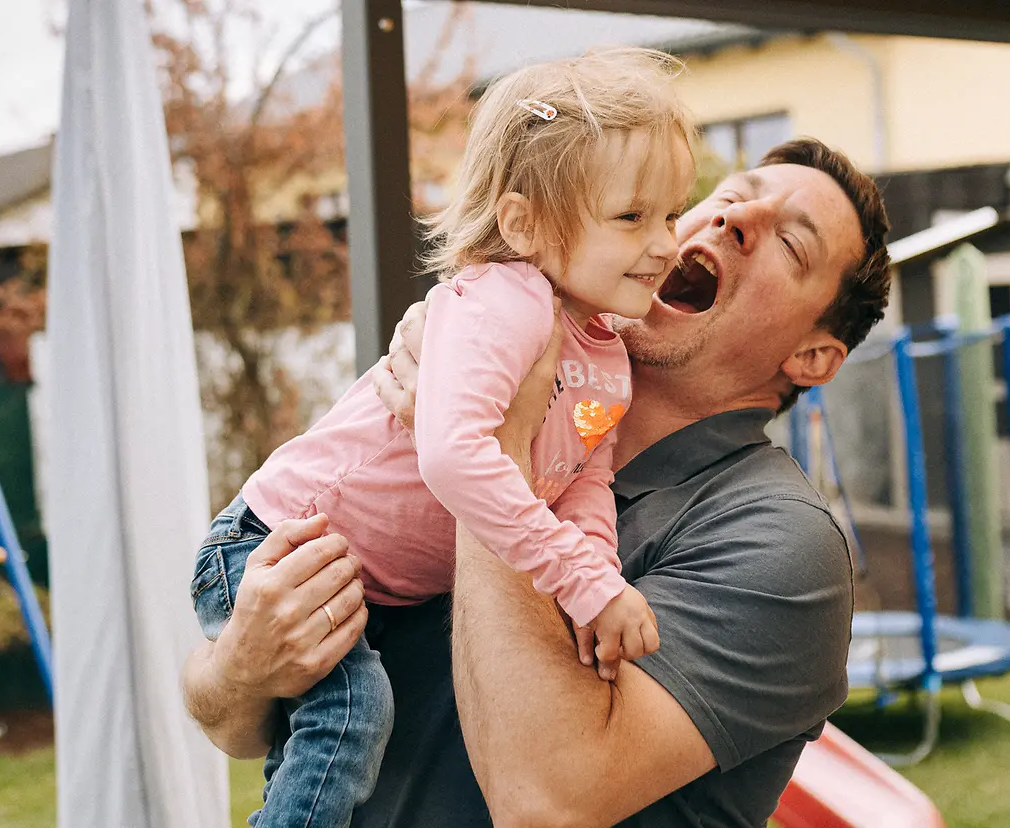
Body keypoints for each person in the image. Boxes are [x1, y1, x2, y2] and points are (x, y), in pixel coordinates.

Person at [184, 135, 891, 827]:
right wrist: (237, 674)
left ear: (814, 355)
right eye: (730, 196)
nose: (735, 220)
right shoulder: (502, 378)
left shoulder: (781, 546)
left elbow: (544, 803)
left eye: (791, 244)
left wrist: (488, 452)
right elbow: (237, 720)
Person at [189, 48, 699, 827]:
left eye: (671, 212)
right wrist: (579, 580)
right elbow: (455, 454)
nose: (666, 242)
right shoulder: (507, 301)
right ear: (522, 223)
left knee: (340, 727)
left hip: (368, 579)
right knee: (350, 715)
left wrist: (598, 574)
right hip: (278, 543)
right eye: (631, 216)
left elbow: (585, 479)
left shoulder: (604, 353)